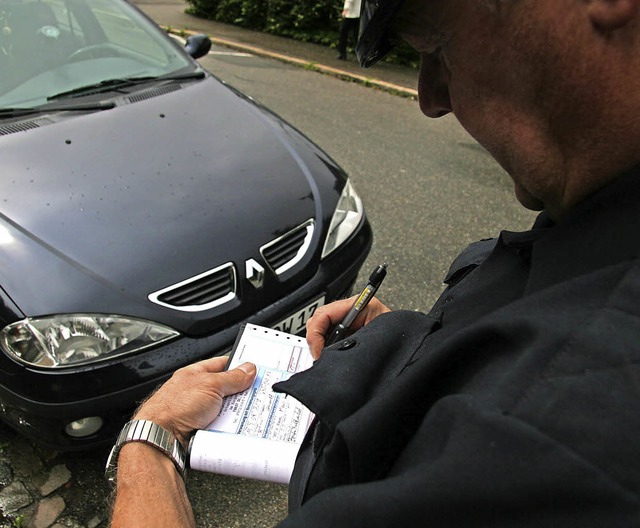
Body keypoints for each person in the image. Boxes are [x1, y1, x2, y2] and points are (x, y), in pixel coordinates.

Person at [109, 0, 640, 525]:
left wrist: (151, 440)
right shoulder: (597, 222)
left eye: (437, 47)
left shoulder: (545, 442)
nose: (430, 99)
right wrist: (409, 347)